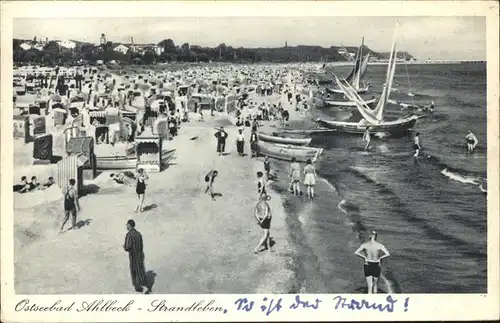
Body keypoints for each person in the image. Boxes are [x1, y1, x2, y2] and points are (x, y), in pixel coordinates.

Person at [123, 219, 149, 293]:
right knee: (141, 270)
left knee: (134, 271)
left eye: (127, 225)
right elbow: (141, 245)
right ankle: (145, 285)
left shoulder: (129, 234)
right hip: (140, 254)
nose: (126, 226)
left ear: (129, 225)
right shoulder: (138, 233)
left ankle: (140, 288)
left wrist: (124, 247)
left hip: (133, 256)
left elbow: (127, 247)